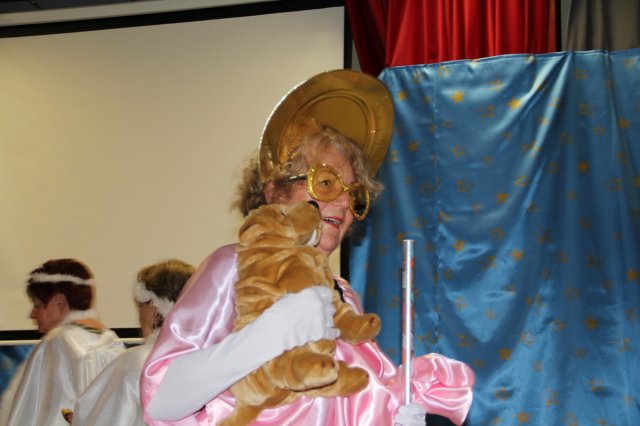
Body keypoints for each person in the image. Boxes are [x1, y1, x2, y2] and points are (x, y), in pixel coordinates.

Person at [140, 69, 475, 426]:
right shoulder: (235, 267)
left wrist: (392, 414)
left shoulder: (344, 296)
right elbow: (160, 399)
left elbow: (340, 406)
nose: (344, 204)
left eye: (354, 194)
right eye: (326, 183)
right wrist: (267, 335)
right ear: (275, 192)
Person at [0, 258, 125, 426]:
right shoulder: (114, 342)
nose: (32, 314)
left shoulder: (57, 345)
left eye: (37, 305)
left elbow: (36, 416)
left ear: (60, 303)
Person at [71, 259, 196, 426]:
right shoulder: (208, 359)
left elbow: (107, 419)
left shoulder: (138, 362)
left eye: (141, 306)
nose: (139, 315)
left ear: (154, 308)